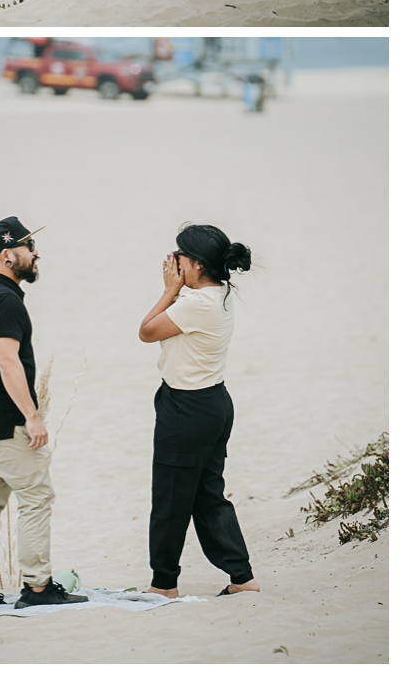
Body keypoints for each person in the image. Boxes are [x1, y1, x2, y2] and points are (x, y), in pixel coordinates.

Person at [0, 216, 88, 609]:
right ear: (7, 256)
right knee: (36, 499)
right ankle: (37, 588)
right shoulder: (4, 300)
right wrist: (32, 417)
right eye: (28, 247)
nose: (36, 253)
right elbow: (7, 361)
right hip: (4, 424)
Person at [138, 224, 260, 598]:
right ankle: (241, 577)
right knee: (208, 495)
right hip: (213, 404)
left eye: (180, 257)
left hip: (187, 409)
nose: (173, 262)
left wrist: (169, 289)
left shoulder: (194, 303)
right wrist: (180, 288)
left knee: (171, 499)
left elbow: (146, 331)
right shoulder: (220, 294)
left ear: (197, 264)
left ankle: (163, 585)